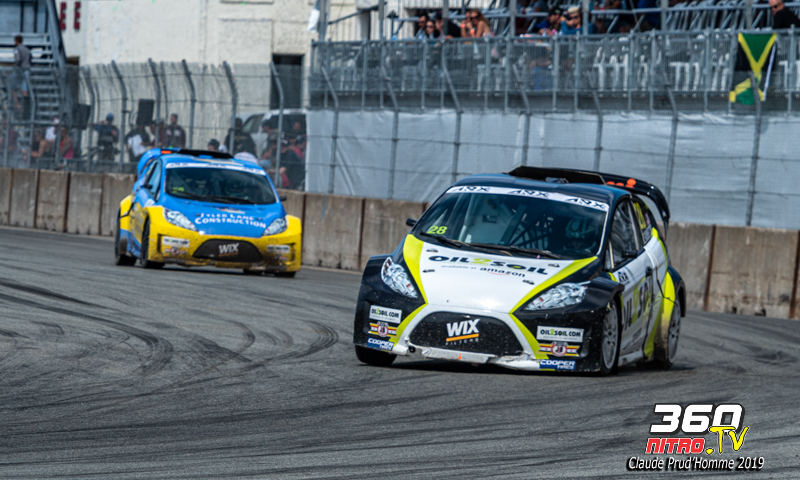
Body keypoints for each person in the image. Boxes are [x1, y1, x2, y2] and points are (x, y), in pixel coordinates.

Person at [11, 35, 31, 113]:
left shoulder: (17, 49)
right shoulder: (27, 49)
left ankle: (17, 104)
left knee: (12, 87)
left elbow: (18, 59)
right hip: (27, 70)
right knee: (24, 89)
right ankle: (26, 109)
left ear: (16, 41)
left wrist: (16, 67)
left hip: (20, 70)